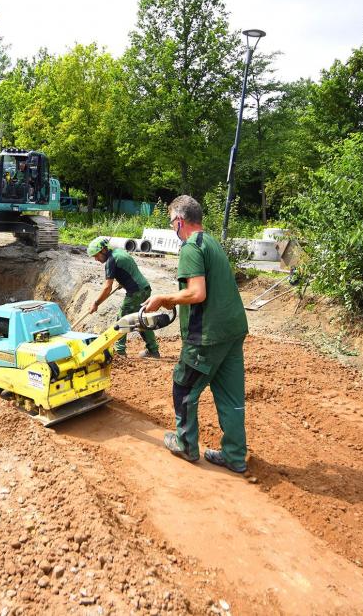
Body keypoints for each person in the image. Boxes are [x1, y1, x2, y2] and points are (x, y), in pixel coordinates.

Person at [142, 195, 248, 474]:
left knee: (184, 387)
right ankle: (235, 456)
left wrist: (165, 298)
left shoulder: (191, 247)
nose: (172, 228)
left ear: (180, 220)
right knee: (230, 396)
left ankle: (186, 445)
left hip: (207, 336)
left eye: (171, 223)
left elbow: (197, 293)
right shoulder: (211, 242)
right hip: (233, 331)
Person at [86, 237, 160, 358]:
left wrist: (96, 303)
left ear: (103, 250)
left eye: (96, 255)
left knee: (122, 319)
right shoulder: (119, 252)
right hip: (145, 288)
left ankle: (120, 352)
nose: (96, 259)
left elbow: (107, 288)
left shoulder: (111, 261)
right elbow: (127, 270)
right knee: (141, 320)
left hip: (136, 293)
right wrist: (122, 282)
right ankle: (153, 350)